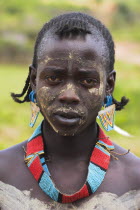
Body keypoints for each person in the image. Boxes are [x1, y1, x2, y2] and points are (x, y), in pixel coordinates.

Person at [0, 12, 140, 205]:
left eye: (87, 81)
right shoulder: (3, 173)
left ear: (108, 85)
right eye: (53, 78)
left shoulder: (135, 179)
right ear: (34, 80)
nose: (69, 95)